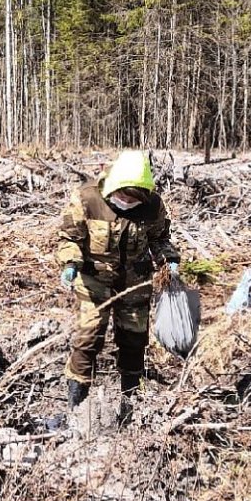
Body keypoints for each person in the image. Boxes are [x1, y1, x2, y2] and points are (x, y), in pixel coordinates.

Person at [56, 150, 180, 418]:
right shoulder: (87, 198)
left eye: (133, 200)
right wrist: (70, 263)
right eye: (123, 196)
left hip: (134, 284)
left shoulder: (152, 206)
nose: (126, 202)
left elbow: (160, 238)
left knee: (134, 340)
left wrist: (168, 260)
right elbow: (69, 239)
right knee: (88, 339)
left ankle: (131, 401)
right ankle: (77, 407)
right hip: (94, 282)